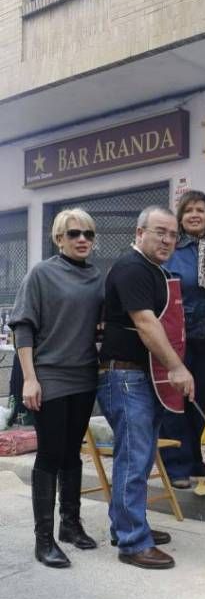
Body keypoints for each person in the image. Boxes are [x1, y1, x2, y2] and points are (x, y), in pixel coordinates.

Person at [97, 206, 194, 569]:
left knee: (139, 455)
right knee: (134, 458)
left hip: (142, 376)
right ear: (139, 233)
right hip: (125, 377)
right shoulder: (133, 268)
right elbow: (145, 323)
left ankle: (127, 526)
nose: (168, 239)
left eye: (173, 234)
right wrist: (177, 367)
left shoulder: (153, 270)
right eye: (160, 232)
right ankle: (132, 542)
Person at [10, 209, 104, 568]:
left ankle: (70, 525)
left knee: (71, 453)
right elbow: (23, 327)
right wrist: (30, 378)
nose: (82, 239)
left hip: (84, 376)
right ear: (58, 238)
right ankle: (44, 539)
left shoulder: (97, 277)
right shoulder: (41, 273)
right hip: (48, 376)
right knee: (49, 455)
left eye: (89, 234)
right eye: (74, 234)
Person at [159, 191, 205, 489]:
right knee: (175, 401)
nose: (194, 215)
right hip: (176, 340)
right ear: (180, 217)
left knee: (199, 400)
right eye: (188, 210)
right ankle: (175, 463)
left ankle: (194, 458)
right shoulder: (171, 250)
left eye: (200, 210)